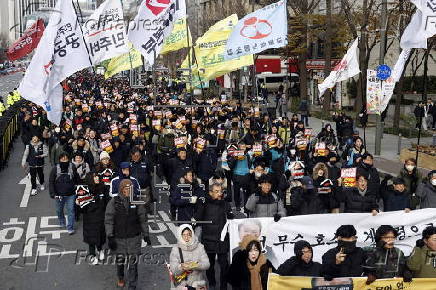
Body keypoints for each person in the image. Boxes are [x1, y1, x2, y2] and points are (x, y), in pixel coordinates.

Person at [105, 179, 151, 289]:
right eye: (125, 188)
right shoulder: (114, 202)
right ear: (121, 189)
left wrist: (146, 234)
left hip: (134, 237)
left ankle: (132, 285)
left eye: (130, 188)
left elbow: (143, 218)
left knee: (133, 264)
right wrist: (110, 236)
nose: (128, 190)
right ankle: (120, 277)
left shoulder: (137, 201)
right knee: (120, 262)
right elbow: (109, 220)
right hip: (118, 238)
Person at [194, 183, 232, 290]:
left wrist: (230, 216)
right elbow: (198, 218)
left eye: (221, 191)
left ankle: (223, 287)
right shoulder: (204, 204)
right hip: (209, 239)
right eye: (217, 191)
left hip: (222, 240)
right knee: (209, 265)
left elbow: (231, 220)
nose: (220, 194)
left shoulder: (225, 204)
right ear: (210, 193)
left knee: (224, 266)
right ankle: (212, 283)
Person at [77, 173, 107, 265]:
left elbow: (106, 202)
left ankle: (100, 249)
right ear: (90, 179)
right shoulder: (85, 191)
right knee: (91, 239)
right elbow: (82, 209)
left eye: (97, 176)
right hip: (90, 219)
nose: (97, 178)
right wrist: (78, 204)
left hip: (101, 217)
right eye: (94, 177)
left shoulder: (103, 188)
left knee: (101, 236)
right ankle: (92, 255)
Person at [169, 224, 210, 290]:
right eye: (184, 235)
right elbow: (173, 270)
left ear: (192, 234)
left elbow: (207, 264)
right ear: (180, 236)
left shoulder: (200, 247)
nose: (186, 237)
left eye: (188, 234)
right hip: (182, 285)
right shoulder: (176, 249)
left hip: (198, 283)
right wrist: (181, 267)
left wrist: (195, 265)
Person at [48, 153, 78, 234]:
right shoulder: (55, 169)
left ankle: (70, 227)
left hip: (71, 194)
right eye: (62, 159)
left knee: (71, 210)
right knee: (59, 210)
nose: (64, 161)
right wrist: (52, 193)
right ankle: (61, 221)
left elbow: (76, 179)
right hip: (59, 195)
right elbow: (51, 182)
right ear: (59, 160)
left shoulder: (72, 167)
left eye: (66, 159)